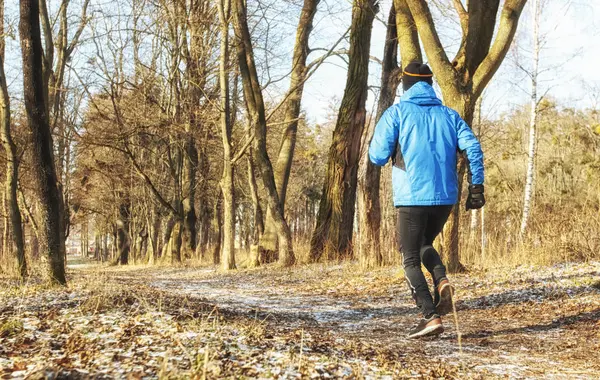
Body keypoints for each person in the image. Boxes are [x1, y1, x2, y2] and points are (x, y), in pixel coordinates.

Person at [368, 62, 485, 339]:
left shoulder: (396, 113)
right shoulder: (450, 115)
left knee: (409, 258)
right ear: (430, 84)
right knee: (423, 244)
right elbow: (474, 147)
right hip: (445, 197)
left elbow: (377, 155)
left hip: (411, 196)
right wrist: (476, 186)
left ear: (405, 85)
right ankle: (441, 280)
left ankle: (429, 316)